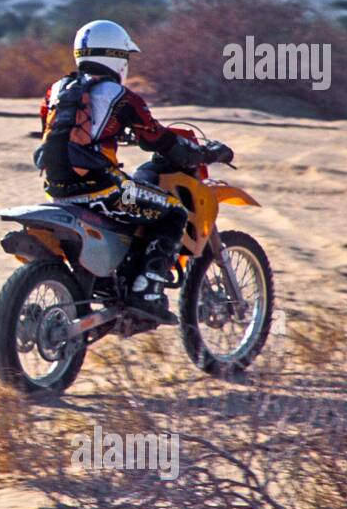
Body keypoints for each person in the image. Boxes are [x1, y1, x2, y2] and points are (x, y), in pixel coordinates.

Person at [35, 19, 233, 322]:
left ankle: (116, 275)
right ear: (116, 57)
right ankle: (147, 291)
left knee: (140, 205)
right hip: (100, 191)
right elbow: (161, 141)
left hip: (57, 190)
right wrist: (204, 152)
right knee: (172, 212)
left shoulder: (56, 91)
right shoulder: (121, 96)